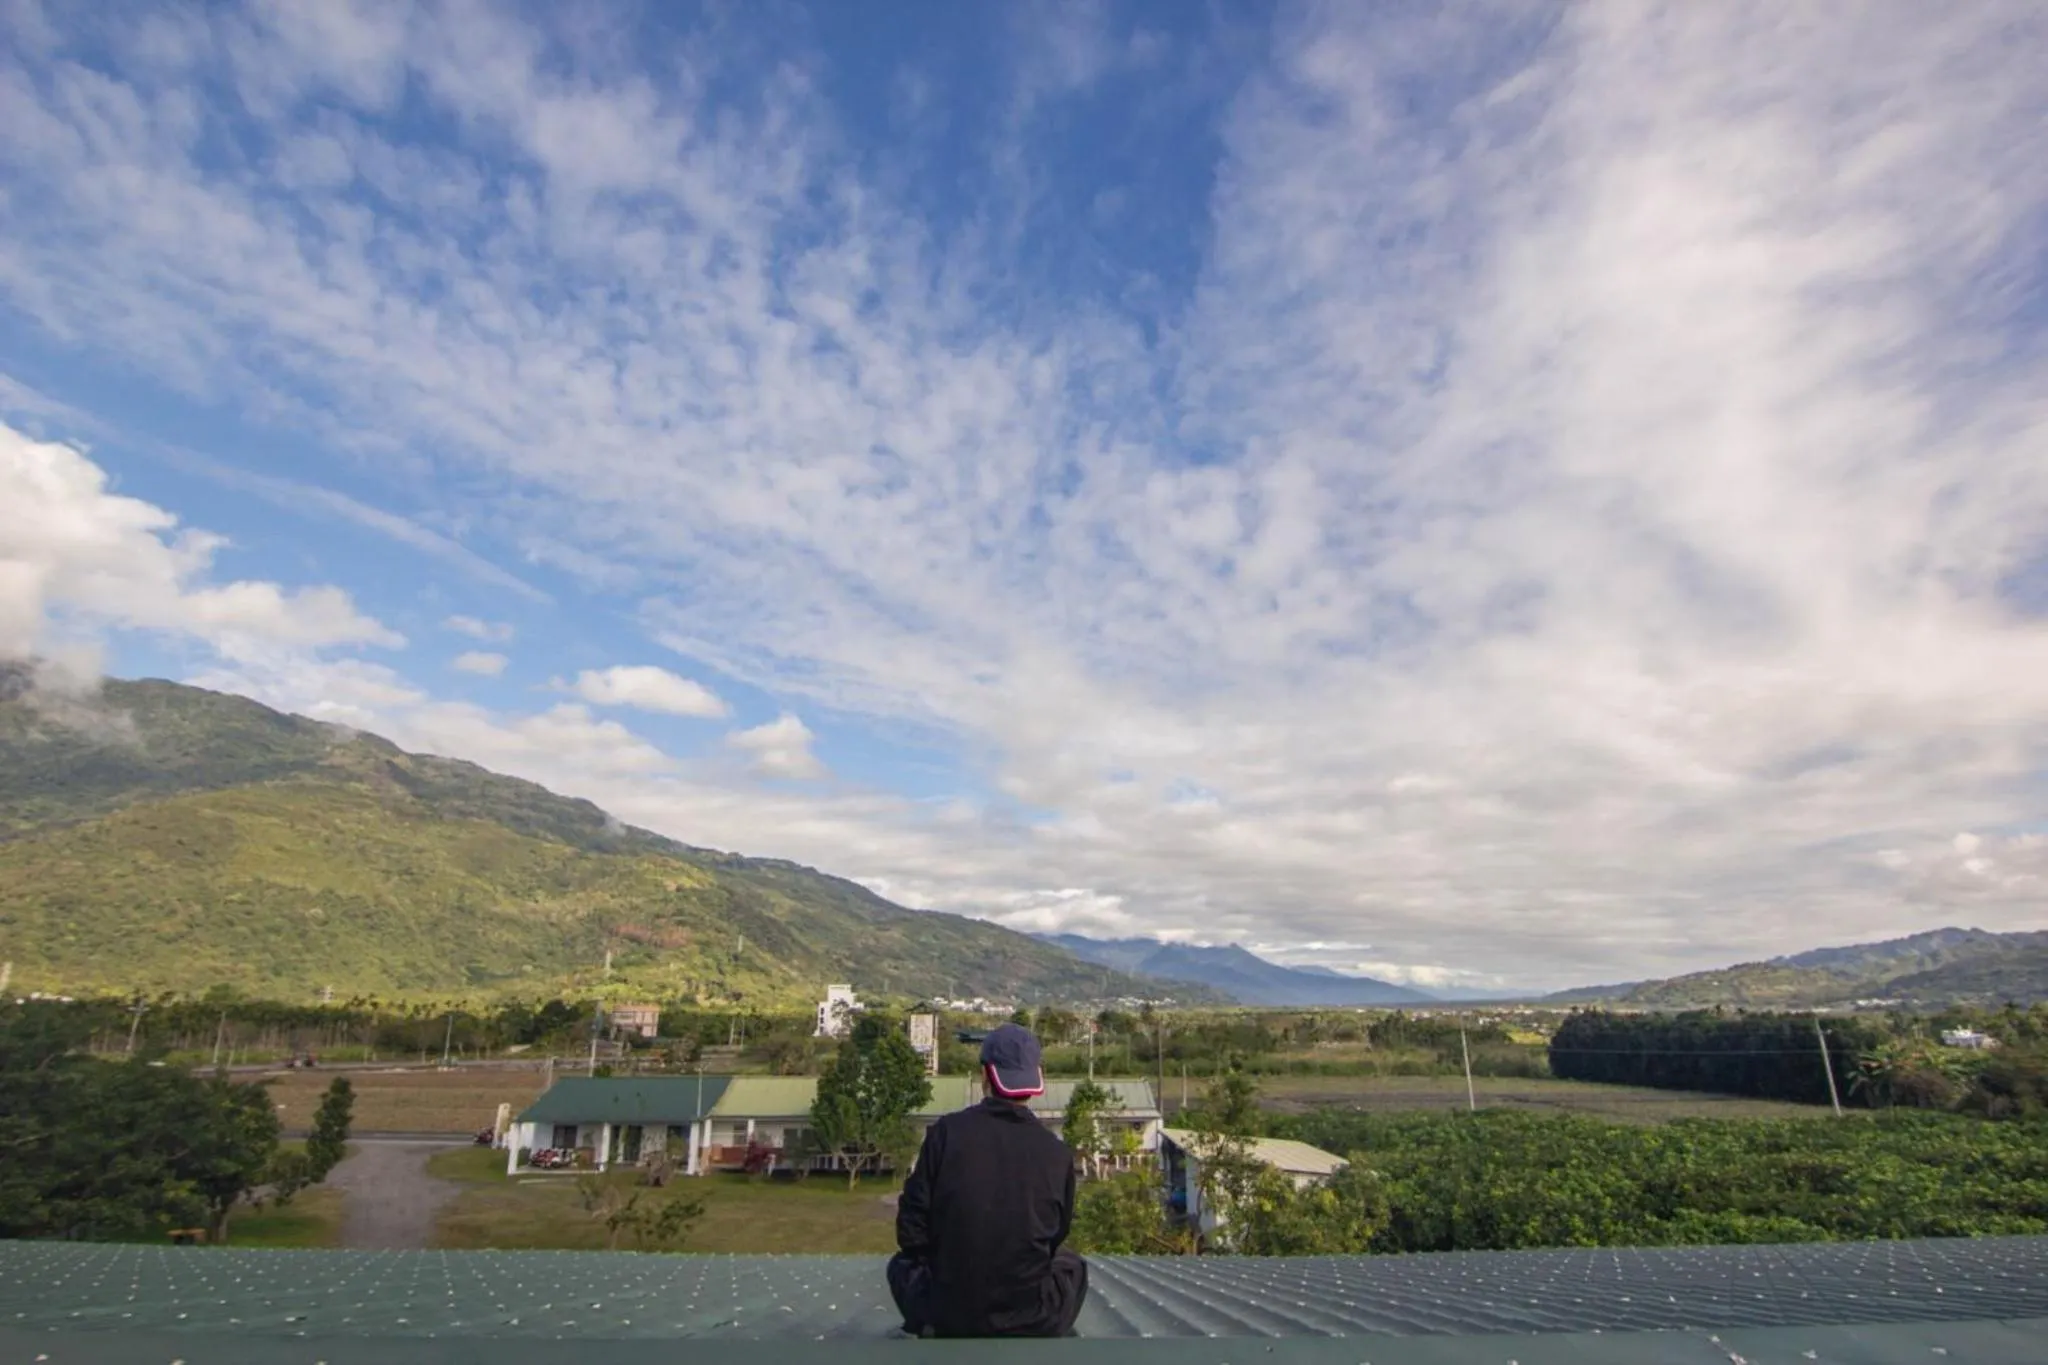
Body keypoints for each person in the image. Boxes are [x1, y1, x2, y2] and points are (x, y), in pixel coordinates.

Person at [888, 1023, 1089, 1338]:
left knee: (900, 1266)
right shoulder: (1057, 1152)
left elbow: (911, 1233)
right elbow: (1054, 1237)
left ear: (985, 1075)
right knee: (1072, 1266)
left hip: (947, 1313)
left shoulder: (946, 1133)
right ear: (1037, 1076)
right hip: (1031, 1315)